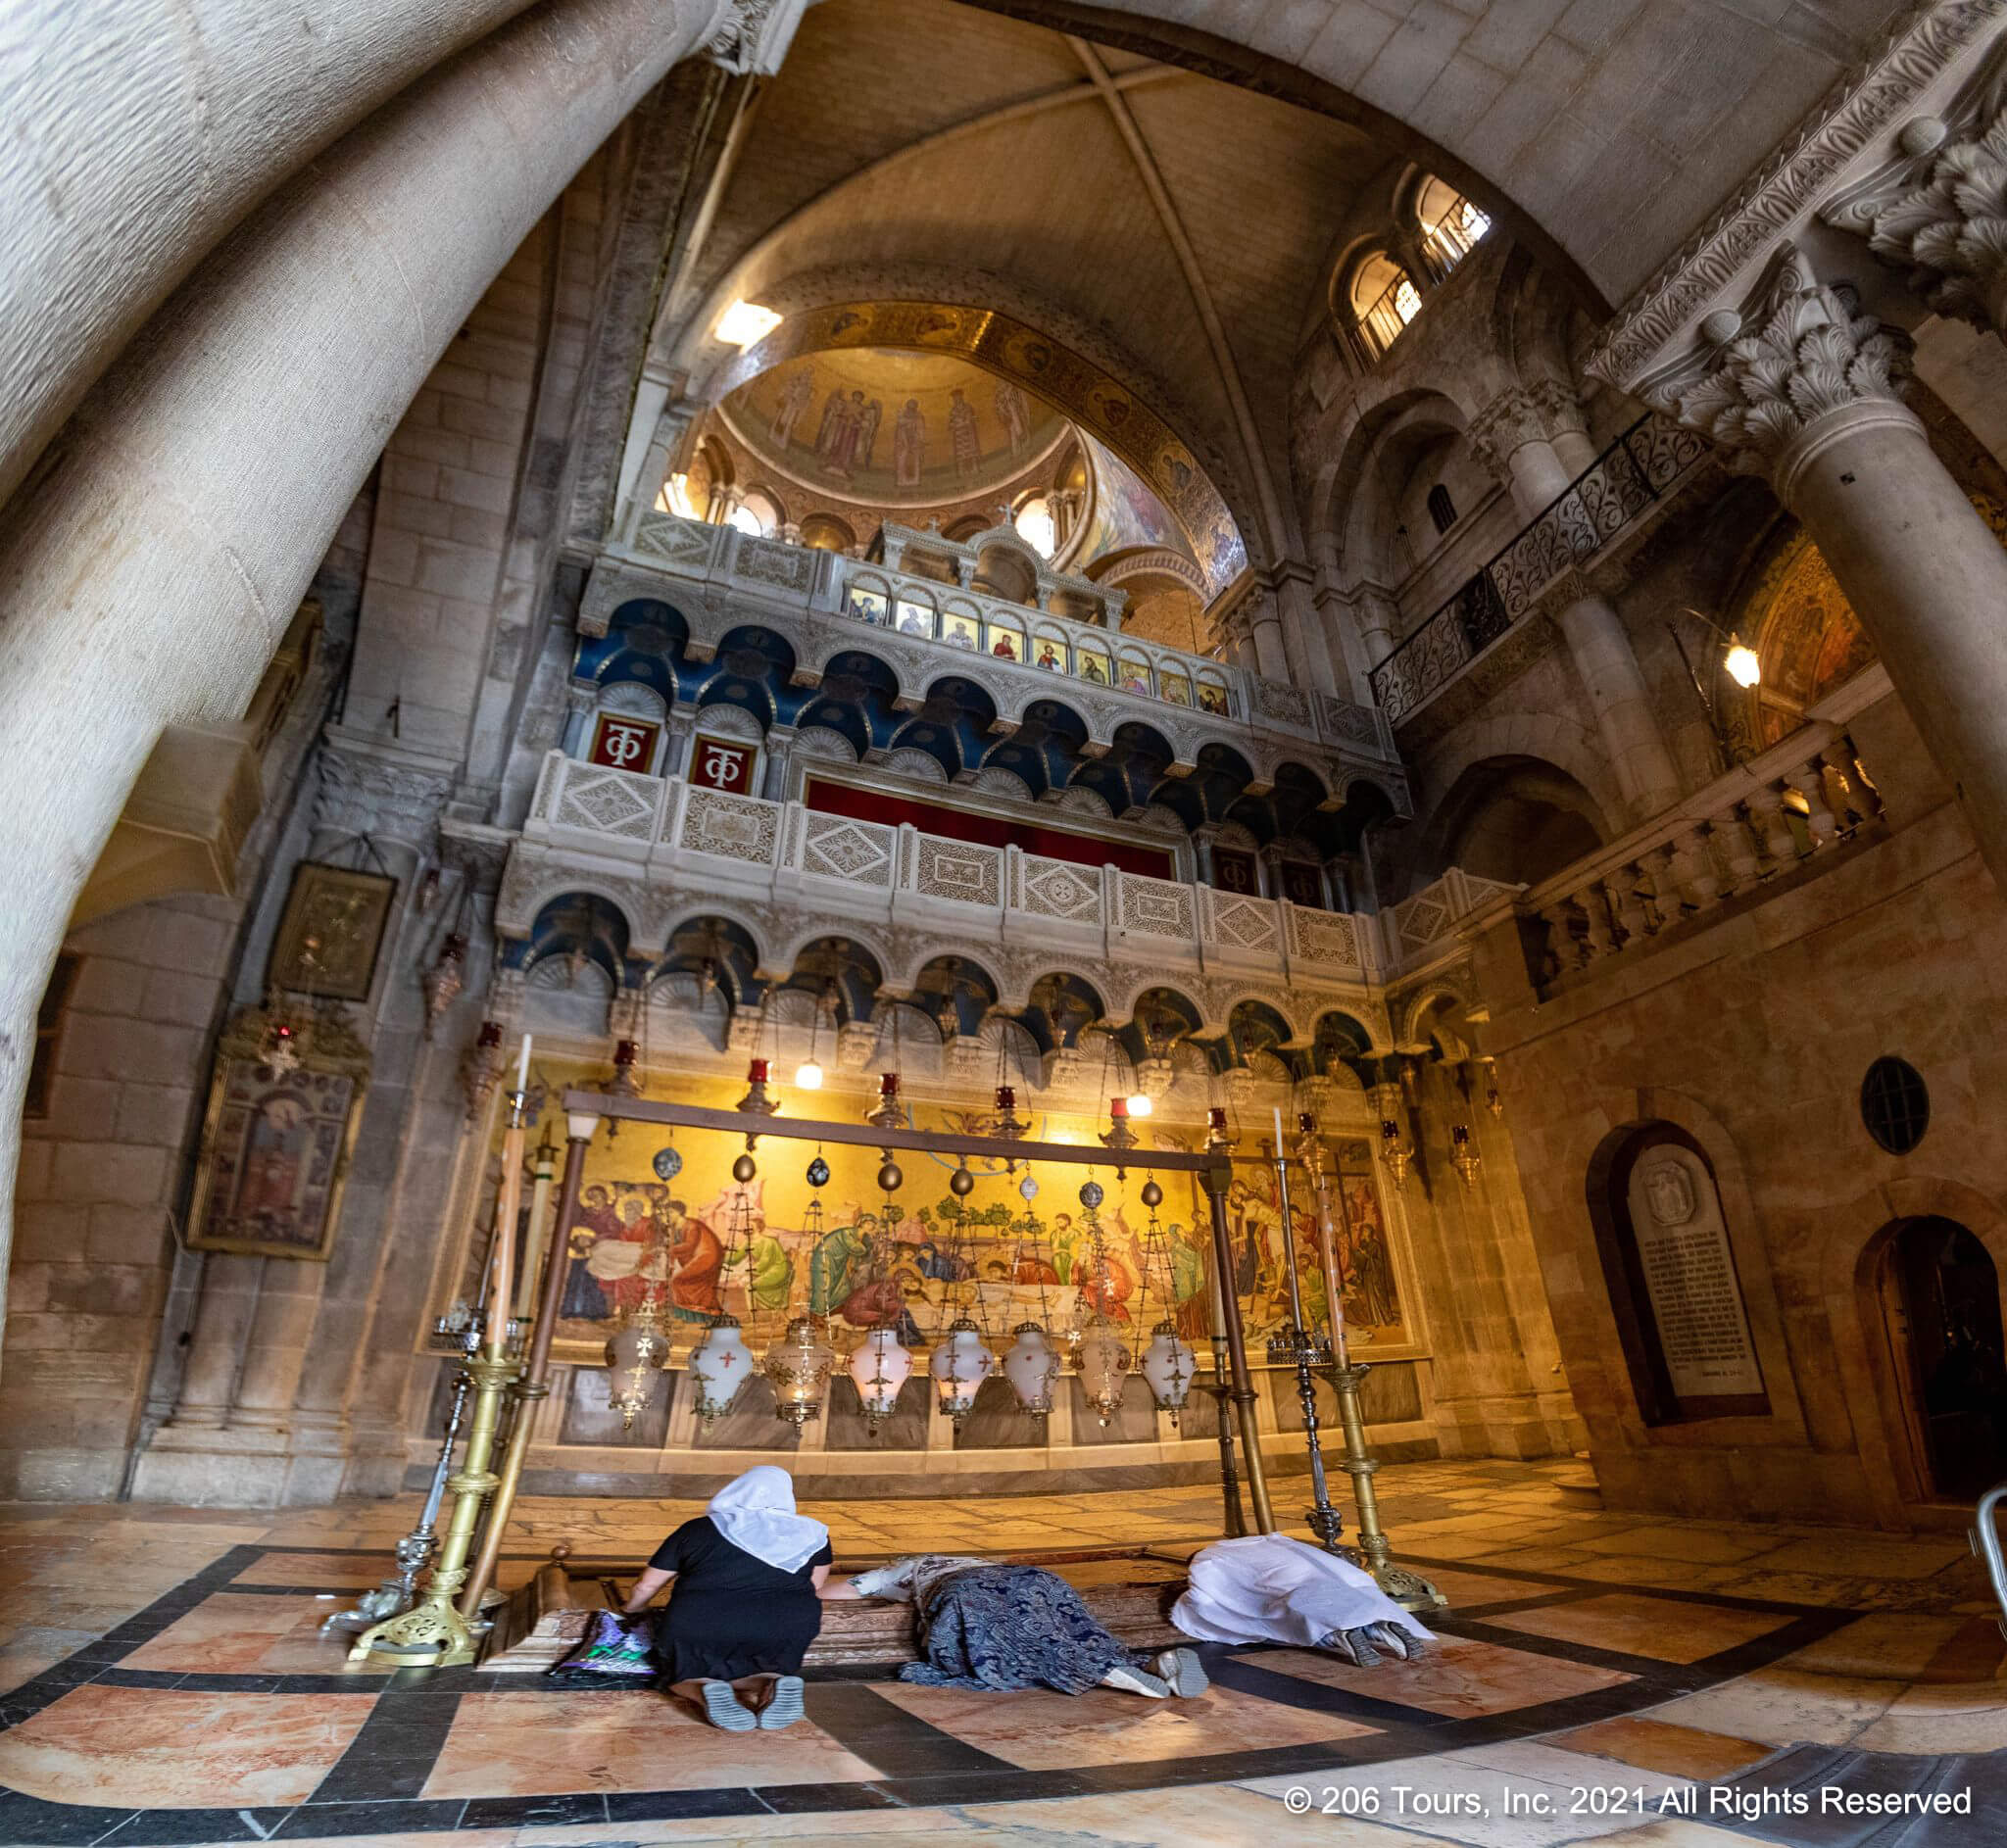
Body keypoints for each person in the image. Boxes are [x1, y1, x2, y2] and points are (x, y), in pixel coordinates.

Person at [620, 1467, 834, 1731]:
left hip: (702, 1622)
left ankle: (703, 1690)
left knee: (678, 1675)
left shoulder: (698, 1529)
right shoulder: (814, 1534)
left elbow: (646, 1586)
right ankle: (773, 1684)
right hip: (788, 1625)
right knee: (767, 1663)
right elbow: (814, 1586)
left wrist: (633, 1610)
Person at [827, 1554, 1206, 1699]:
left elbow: (839, 1591)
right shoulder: (968, 1558)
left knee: (1007, 1649)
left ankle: (1109, 1674)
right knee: (1070, 1631)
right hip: (1035, 1578)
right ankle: (1150, 1663)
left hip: (972, 1591)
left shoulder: (908, 1566)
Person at [1171, 1533, 1431, 1667]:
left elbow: (1206, 1595)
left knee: (1284, 1617)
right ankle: (1379, 1626)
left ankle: (1338, 1636)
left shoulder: (1205, 1559)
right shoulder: (1264, 1540)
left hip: (1288, 1583)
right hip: (1328, 1571)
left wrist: (1188, 1605)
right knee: (1351, 1597)